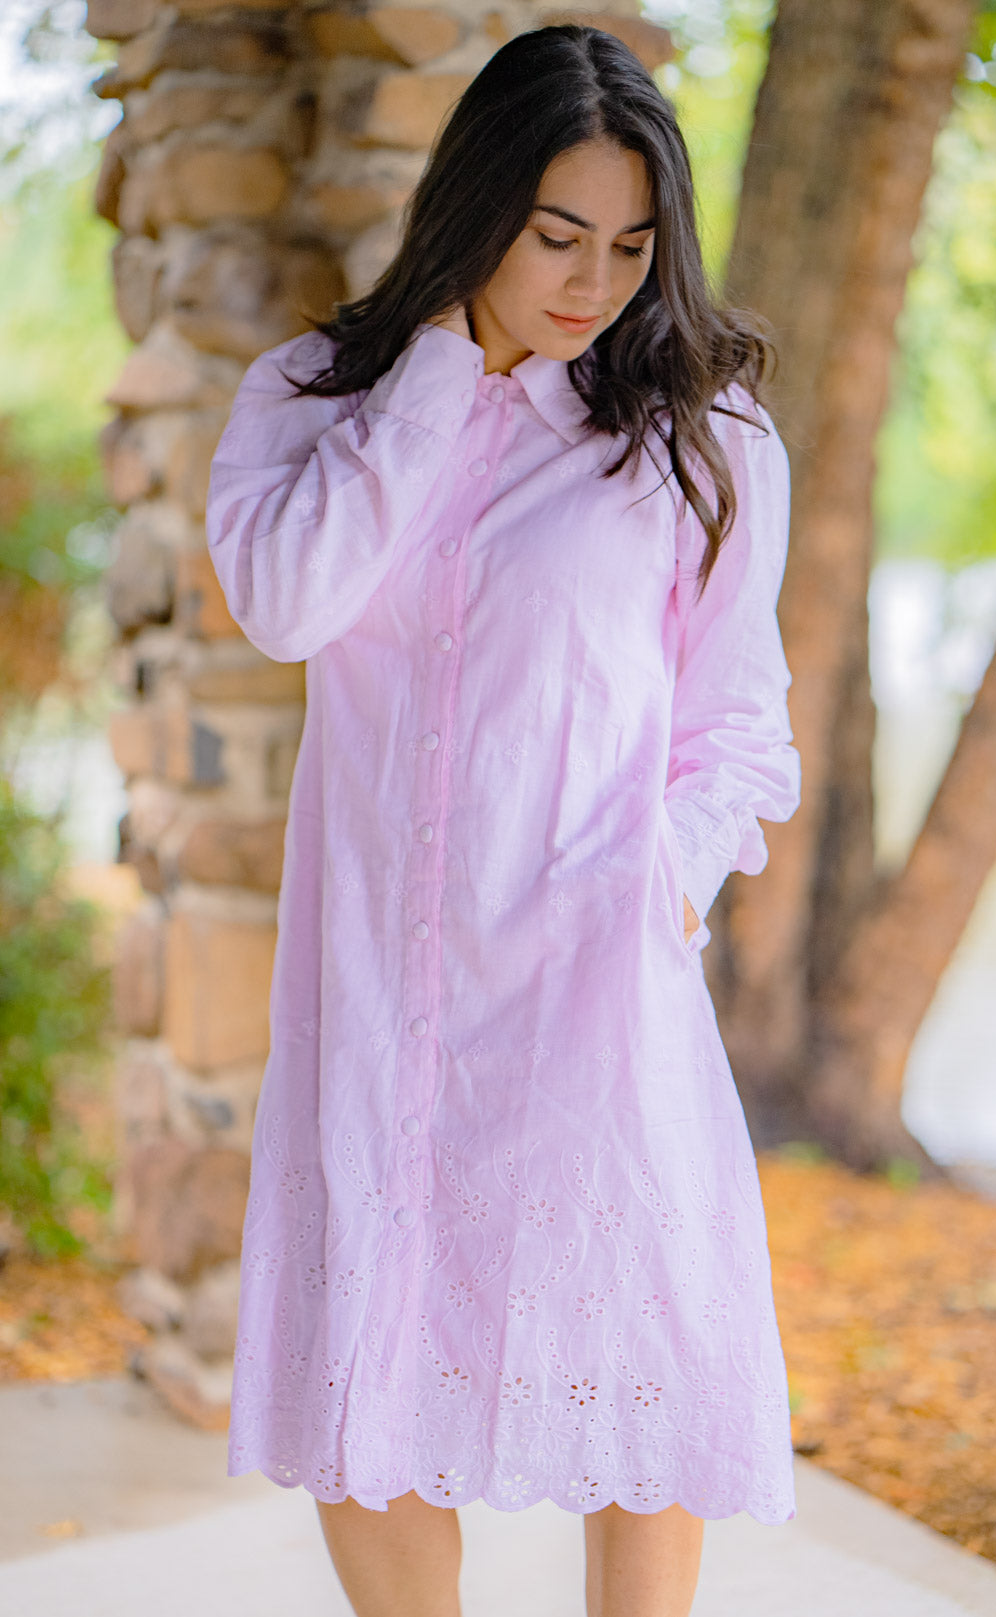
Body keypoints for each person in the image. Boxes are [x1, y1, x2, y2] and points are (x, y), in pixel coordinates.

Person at [205, 21, 801, 1617]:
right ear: (476, 206)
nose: (595, 282)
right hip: (377, 999)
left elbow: (741, 728)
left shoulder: (702, 437)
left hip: (591, 988)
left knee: (633, 1390)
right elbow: (288, 603)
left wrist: (662, 889)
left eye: (632, 245)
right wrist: (442, 373)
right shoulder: (310, 400)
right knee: (367, 1395)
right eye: (556, 237)